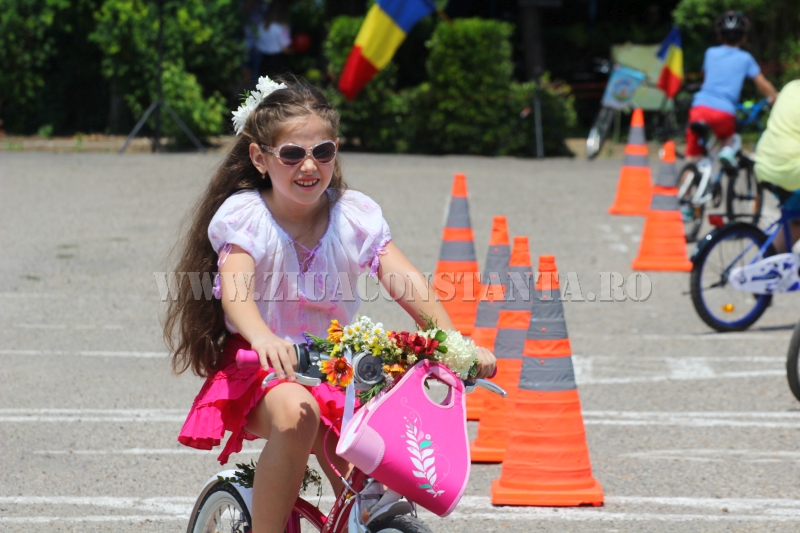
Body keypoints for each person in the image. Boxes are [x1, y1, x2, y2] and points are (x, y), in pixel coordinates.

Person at [165, 78, 497, 533]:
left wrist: (453, 344)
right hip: (262, 365)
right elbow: (236, 290)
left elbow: (404, 280)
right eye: (292, 154)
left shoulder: (354, 216)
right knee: (297, 414)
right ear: (260, 159)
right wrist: (262, 336)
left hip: (337, 366)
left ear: (335, 151)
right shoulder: (247, 217)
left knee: (376, 461)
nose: (309, 166)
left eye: (322, 152)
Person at [685, 11, 778, 167]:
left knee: (692, 157)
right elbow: (762, 83)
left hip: (699, 108)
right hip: (724, 111)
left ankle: (686, 186)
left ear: (719, 35)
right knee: (729, 138)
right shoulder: (745, 58)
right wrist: (776, 95)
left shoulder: (710, 53)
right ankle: (727, 152)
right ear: (744, 37)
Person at [755, 79, 800, 253]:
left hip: (763, 164)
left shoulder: (790, 86)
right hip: (790, 171)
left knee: (796, 219)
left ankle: (772, 268)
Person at [257, 0, 292, 77]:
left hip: (264, 60)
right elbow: (285, 49)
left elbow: (258, 43)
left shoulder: (262, 25)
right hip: (278, 62)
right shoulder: (282, 26)